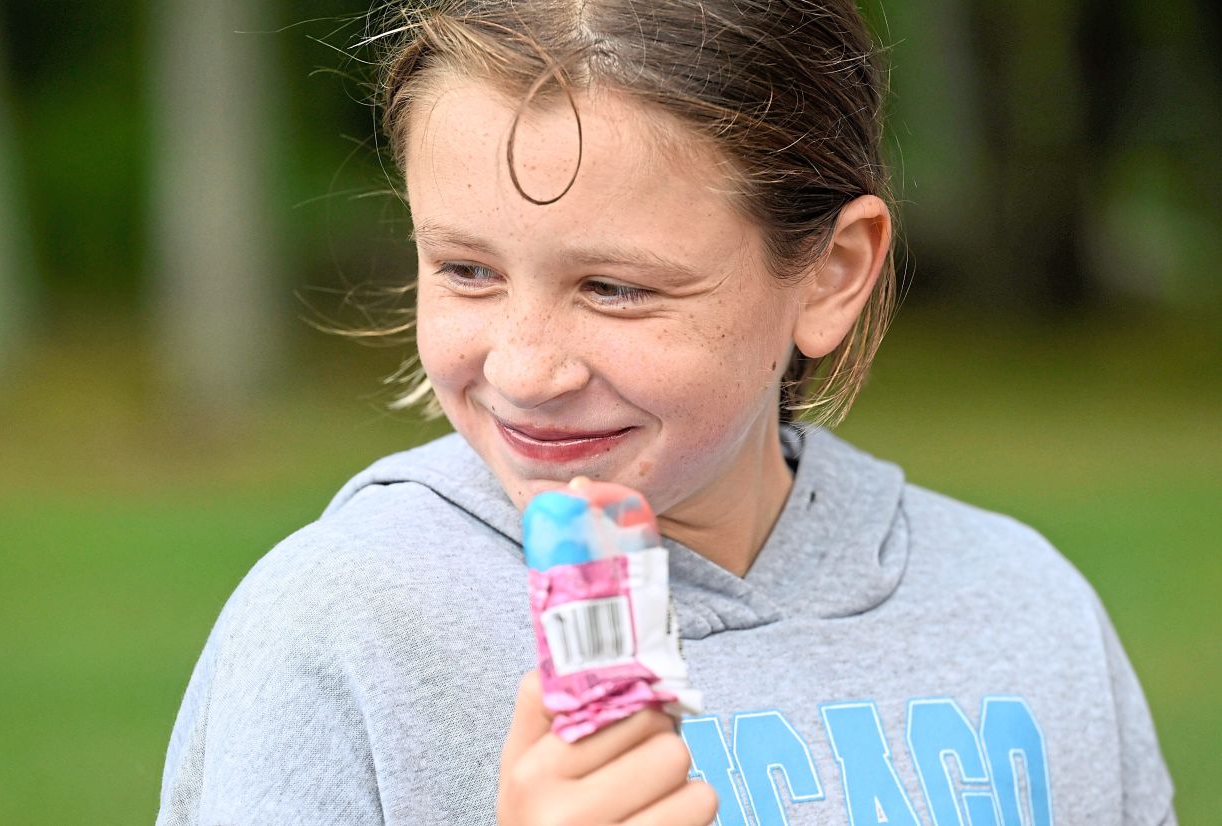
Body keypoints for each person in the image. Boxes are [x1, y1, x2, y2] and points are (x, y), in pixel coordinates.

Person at [156, 2, 1176, 824]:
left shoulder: (1021, 608)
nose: (525, 368)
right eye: (466, 270)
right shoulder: (343, 626)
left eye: (614, 288)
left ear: (831, 271)